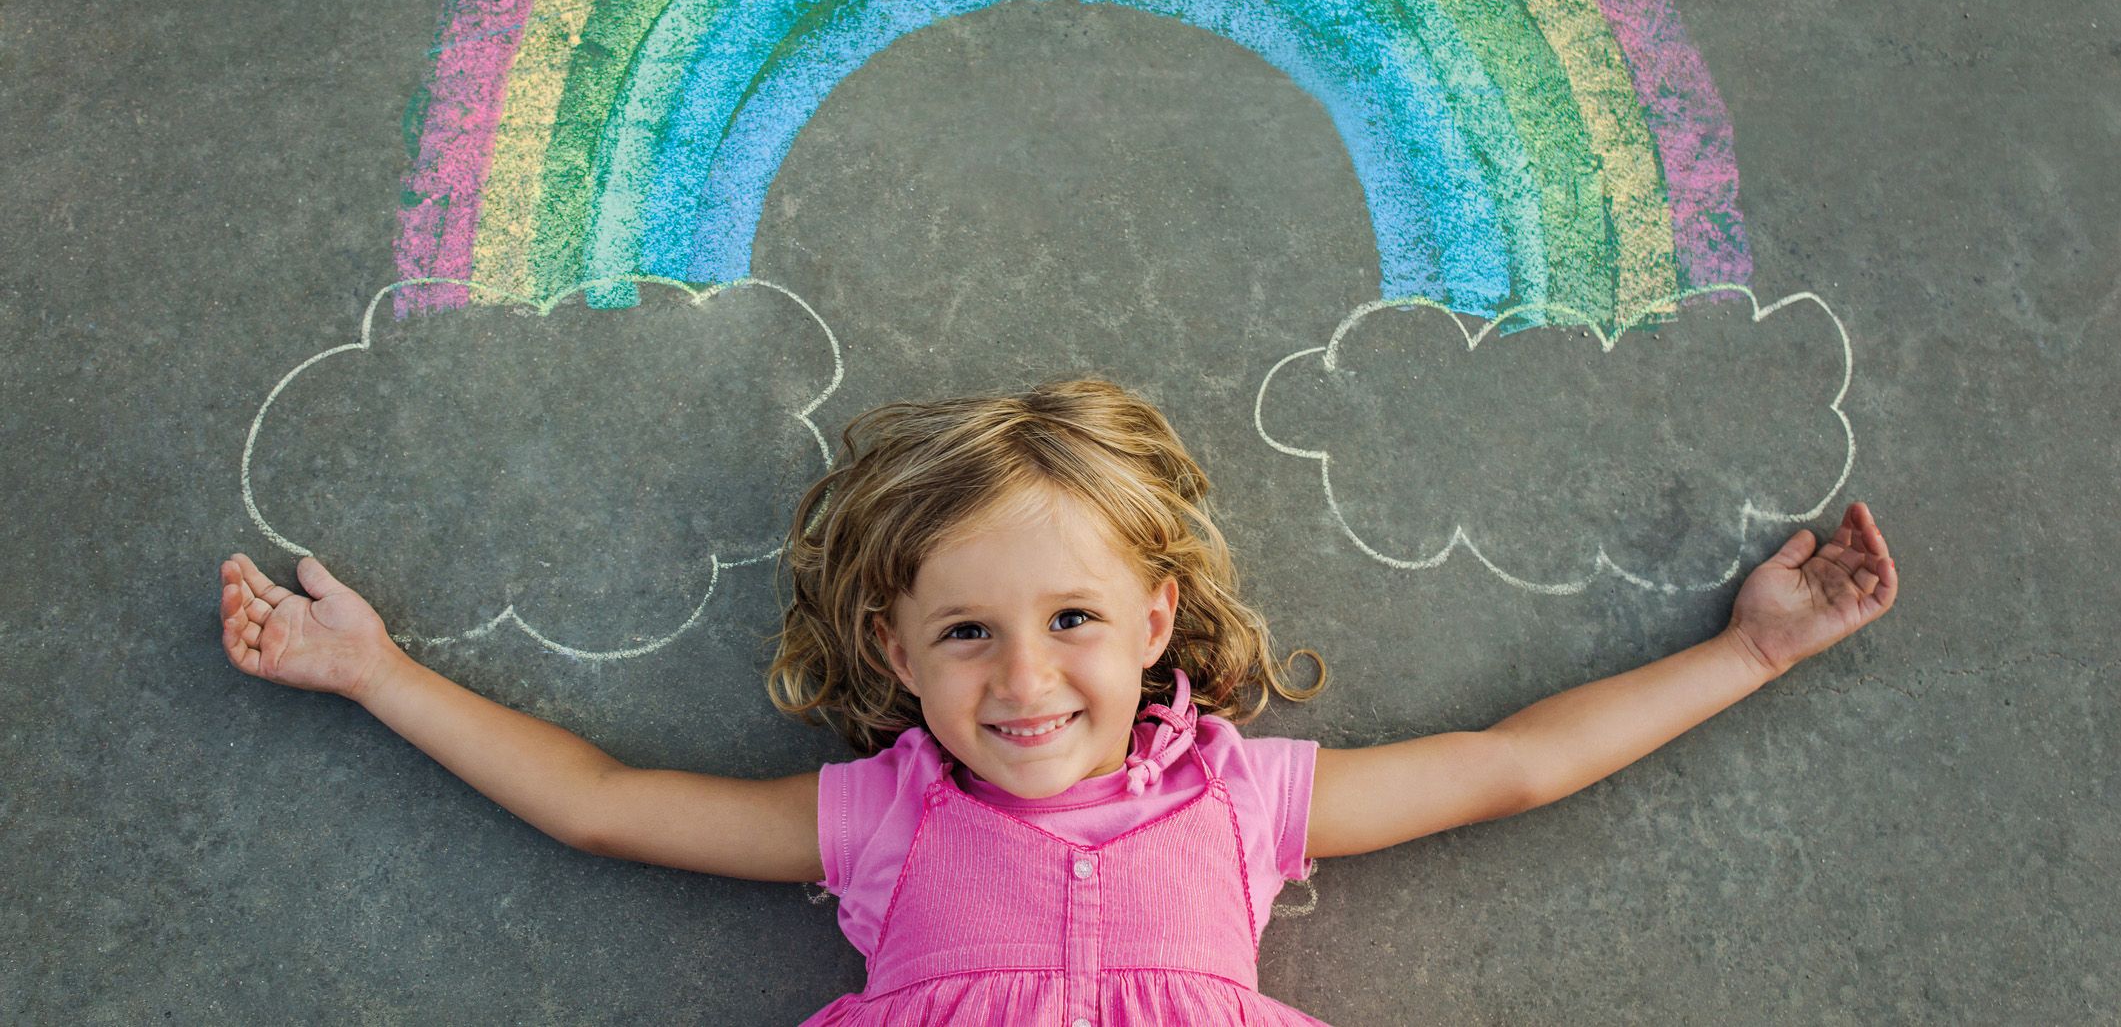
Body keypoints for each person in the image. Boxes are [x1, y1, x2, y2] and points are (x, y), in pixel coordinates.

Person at [219, 375, 1898, 1026]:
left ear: (1156, 620)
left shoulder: (1240, 795)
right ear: (892, 651)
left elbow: (1515, 764)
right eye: (962, 635)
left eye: (1074, 617)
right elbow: (594, 797)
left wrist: (1746, 650)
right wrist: (373, 671)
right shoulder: (879, 816)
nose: (1025, 679)